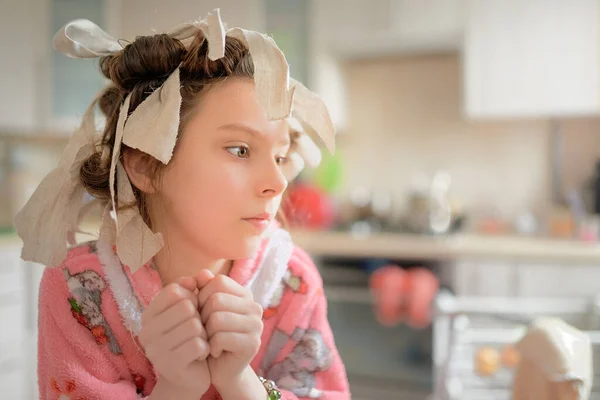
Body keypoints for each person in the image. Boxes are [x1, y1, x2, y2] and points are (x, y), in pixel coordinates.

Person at [14, 9, 350, 400]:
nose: (277, 183)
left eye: (279, 157)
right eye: (240, 149)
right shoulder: (81, 290)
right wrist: (175, 389)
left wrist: (243, 385)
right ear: (146, 165)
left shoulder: (292, 280)